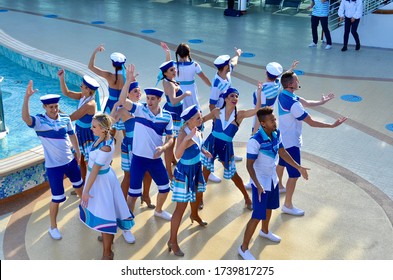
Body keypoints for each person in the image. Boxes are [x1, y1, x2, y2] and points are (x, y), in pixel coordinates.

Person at [238, 107, 309, 260]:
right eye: (271, 120)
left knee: (269, 208)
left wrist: (298, 167)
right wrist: (257, 184)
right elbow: (249, 166)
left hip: (272, 179)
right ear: (263, 124)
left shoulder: (276, 134)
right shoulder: (254, 141)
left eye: (274, 119)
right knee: (257, 215)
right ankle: (243, 248)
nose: (275, 122)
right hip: (260, 183)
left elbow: (282, 152)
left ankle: (264, 231)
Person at [276, 71, 347, 216]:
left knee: (282, 163)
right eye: (296, 80)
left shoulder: (283, 94)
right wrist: (332, 126)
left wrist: (322, 102)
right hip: (291, 143)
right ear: (290, 84)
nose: (298, 81)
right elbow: (312, 122)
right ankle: (288, 205)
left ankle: (279, 186)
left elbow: (307, 103)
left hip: (282, 138)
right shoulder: (294, 104)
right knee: (294, 174)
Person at [22, 81, 83, 240]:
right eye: (51, 107)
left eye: (56, 106)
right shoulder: (39, 122)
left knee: (80, 189)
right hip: (54, 167)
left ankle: (85, 213)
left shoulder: (65, 118)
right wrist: (27, 98)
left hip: (70, 162)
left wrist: (77, 151)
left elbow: (72, 135)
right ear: (44, 107)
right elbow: (26, 118)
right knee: (57, 198)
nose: (54, 109)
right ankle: (53, 227)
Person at [119, 64, 174, 221]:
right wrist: (128, 81)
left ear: (159, 100)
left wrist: (163, 147)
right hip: (138, 159)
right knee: (133, 194)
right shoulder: (139, 110)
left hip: (155, 159)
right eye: (148, 98)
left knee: (165, 188)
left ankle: (158, 210)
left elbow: (171, 138)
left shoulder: (167, 117)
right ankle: (126, 222)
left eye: (152, 99)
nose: (149, 101)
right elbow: (122, 100)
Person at [79, 113, 135, 260]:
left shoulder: (105, 148)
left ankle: (107, 253)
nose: (91, 128)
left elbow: (95, 170)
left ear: (103, 129)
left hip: (100, 181)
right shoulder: (102, 139)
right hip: (101, 179)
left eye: (94, 126)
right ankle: (105, 236)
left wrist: (85, 191)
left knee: (106, 215)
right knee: (104, 211)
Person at [202, 84, 262, 211]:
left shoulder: (240, 115)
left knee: (234, 175)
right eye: (232, 96)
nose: (235, 98)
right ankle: (200, 198)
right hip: (212, 144)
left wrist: (259, 92)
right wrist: (187, 125)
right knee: (205, 173)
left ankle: (247, 198)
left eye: (236, 96)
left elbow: (257, 109)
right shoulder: (216, 112)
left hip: (225, 147)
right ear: (225, 99)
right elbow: (201, 120)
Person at [168, 105, 216, 257]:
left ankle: (194, 215)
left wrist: (203, 151)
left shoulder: (197, 129)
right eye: (198, 118)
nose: (201, 119)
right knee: (180, 209)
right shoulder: (184, 133)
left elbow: (198, 144)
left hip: (195, 168)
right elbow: (177, 154)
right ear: (189, 120)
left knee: (196, 195)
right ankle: (172, 241)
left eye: (200, 116)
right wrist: (187, 139)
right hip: (185, 173)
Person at [111, 66, 155, 210]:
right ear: (128, 94)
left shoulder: (143, 107)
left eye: (139, 91)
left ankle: (146, 195)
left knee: (148, 173)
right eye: (135, 91)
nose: (138, 93)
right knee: (129, 176)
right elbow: (110, 122)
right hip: (130, 146)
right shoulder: (123, 110)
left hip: (144, 145)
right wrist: (116, 105)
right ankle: (122, 204)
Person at [208, 48, 243, 184]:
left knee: (228, 137)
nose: (231, 65)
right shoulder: (216, 84)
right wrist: (217, 119)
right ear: (224, 67)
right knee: (214, 142)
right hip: (220, 116)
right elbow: (211, 105)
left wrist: (237, 54)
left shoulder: (226, 73)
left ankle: (231, 157)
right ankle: (209, 170)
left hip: (230, 111)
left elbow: (234, 62)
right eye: (228, 64)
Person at [57, 69, 98, 181]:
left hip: (87, 135)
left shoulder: (90, 104)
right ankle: (84, 183)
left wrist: (57, 112)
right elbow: (67, 93)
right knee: (81, 160)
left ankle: (91, 185)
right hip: (79, 131)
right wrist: (62, 78)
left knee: (88, 161)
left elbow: (72, 117)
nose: (80, 87)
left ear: (88, 90)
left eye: (82, 86)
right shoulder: (83, 96)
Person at [160, 60, 191, 180]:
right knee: (170, 142)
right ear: (166, 73)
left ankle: (172, 159)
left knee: (172, 139)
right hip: (174, 114)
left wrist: (167, 54)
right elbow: (173, 100)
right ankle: (168, 171)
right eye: (171, 70)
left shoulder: (167, 80)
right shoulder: (171, 84)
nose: (174, 71)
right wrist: (185, 94)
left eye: (174, 69)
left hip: (175, 113)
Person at [160, 42, 212, 110]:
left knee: (182, 110)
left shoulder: (173, 65)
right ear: (188, 53)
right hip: (191, 90)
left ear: (178, 53)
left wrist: (168, 53)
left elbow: (167, 65)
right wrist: (212, 87)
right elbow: (204, 78)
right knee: (193, 110)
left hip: (178, 90)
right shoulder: (195, 65)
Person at [88, 44, 126, 134]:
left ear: (113, 64)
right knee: (125, 130)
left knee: (109, 129)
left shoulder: (109, 76)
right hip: (124, 104)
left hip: (111, 105)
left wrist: (95, 52)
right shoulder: (127, 77)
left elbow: (90, 66)